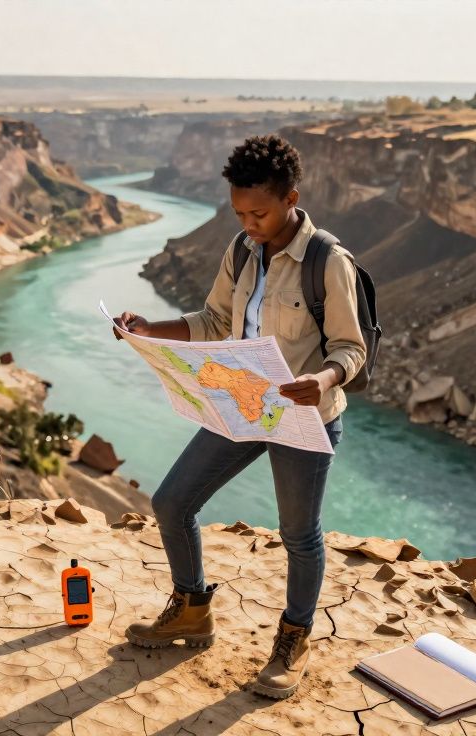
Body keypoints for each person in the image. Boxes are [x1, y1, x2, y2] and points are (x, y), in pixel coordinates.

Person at [113, 134, 367, 699]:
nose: (248, 223)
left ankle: (292, 641)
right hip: (244, 402)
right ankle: (191, 611)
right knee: (172, 501)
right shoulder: (240, 251)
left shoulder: (328, 260)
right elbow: (212, 320)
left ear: (291, 199)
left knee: (299, 534)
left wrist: (321, 380)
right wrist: (151, 328)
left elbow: (352, 349)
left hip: (305, 414)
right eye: (239, 212)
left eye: (259, 212)